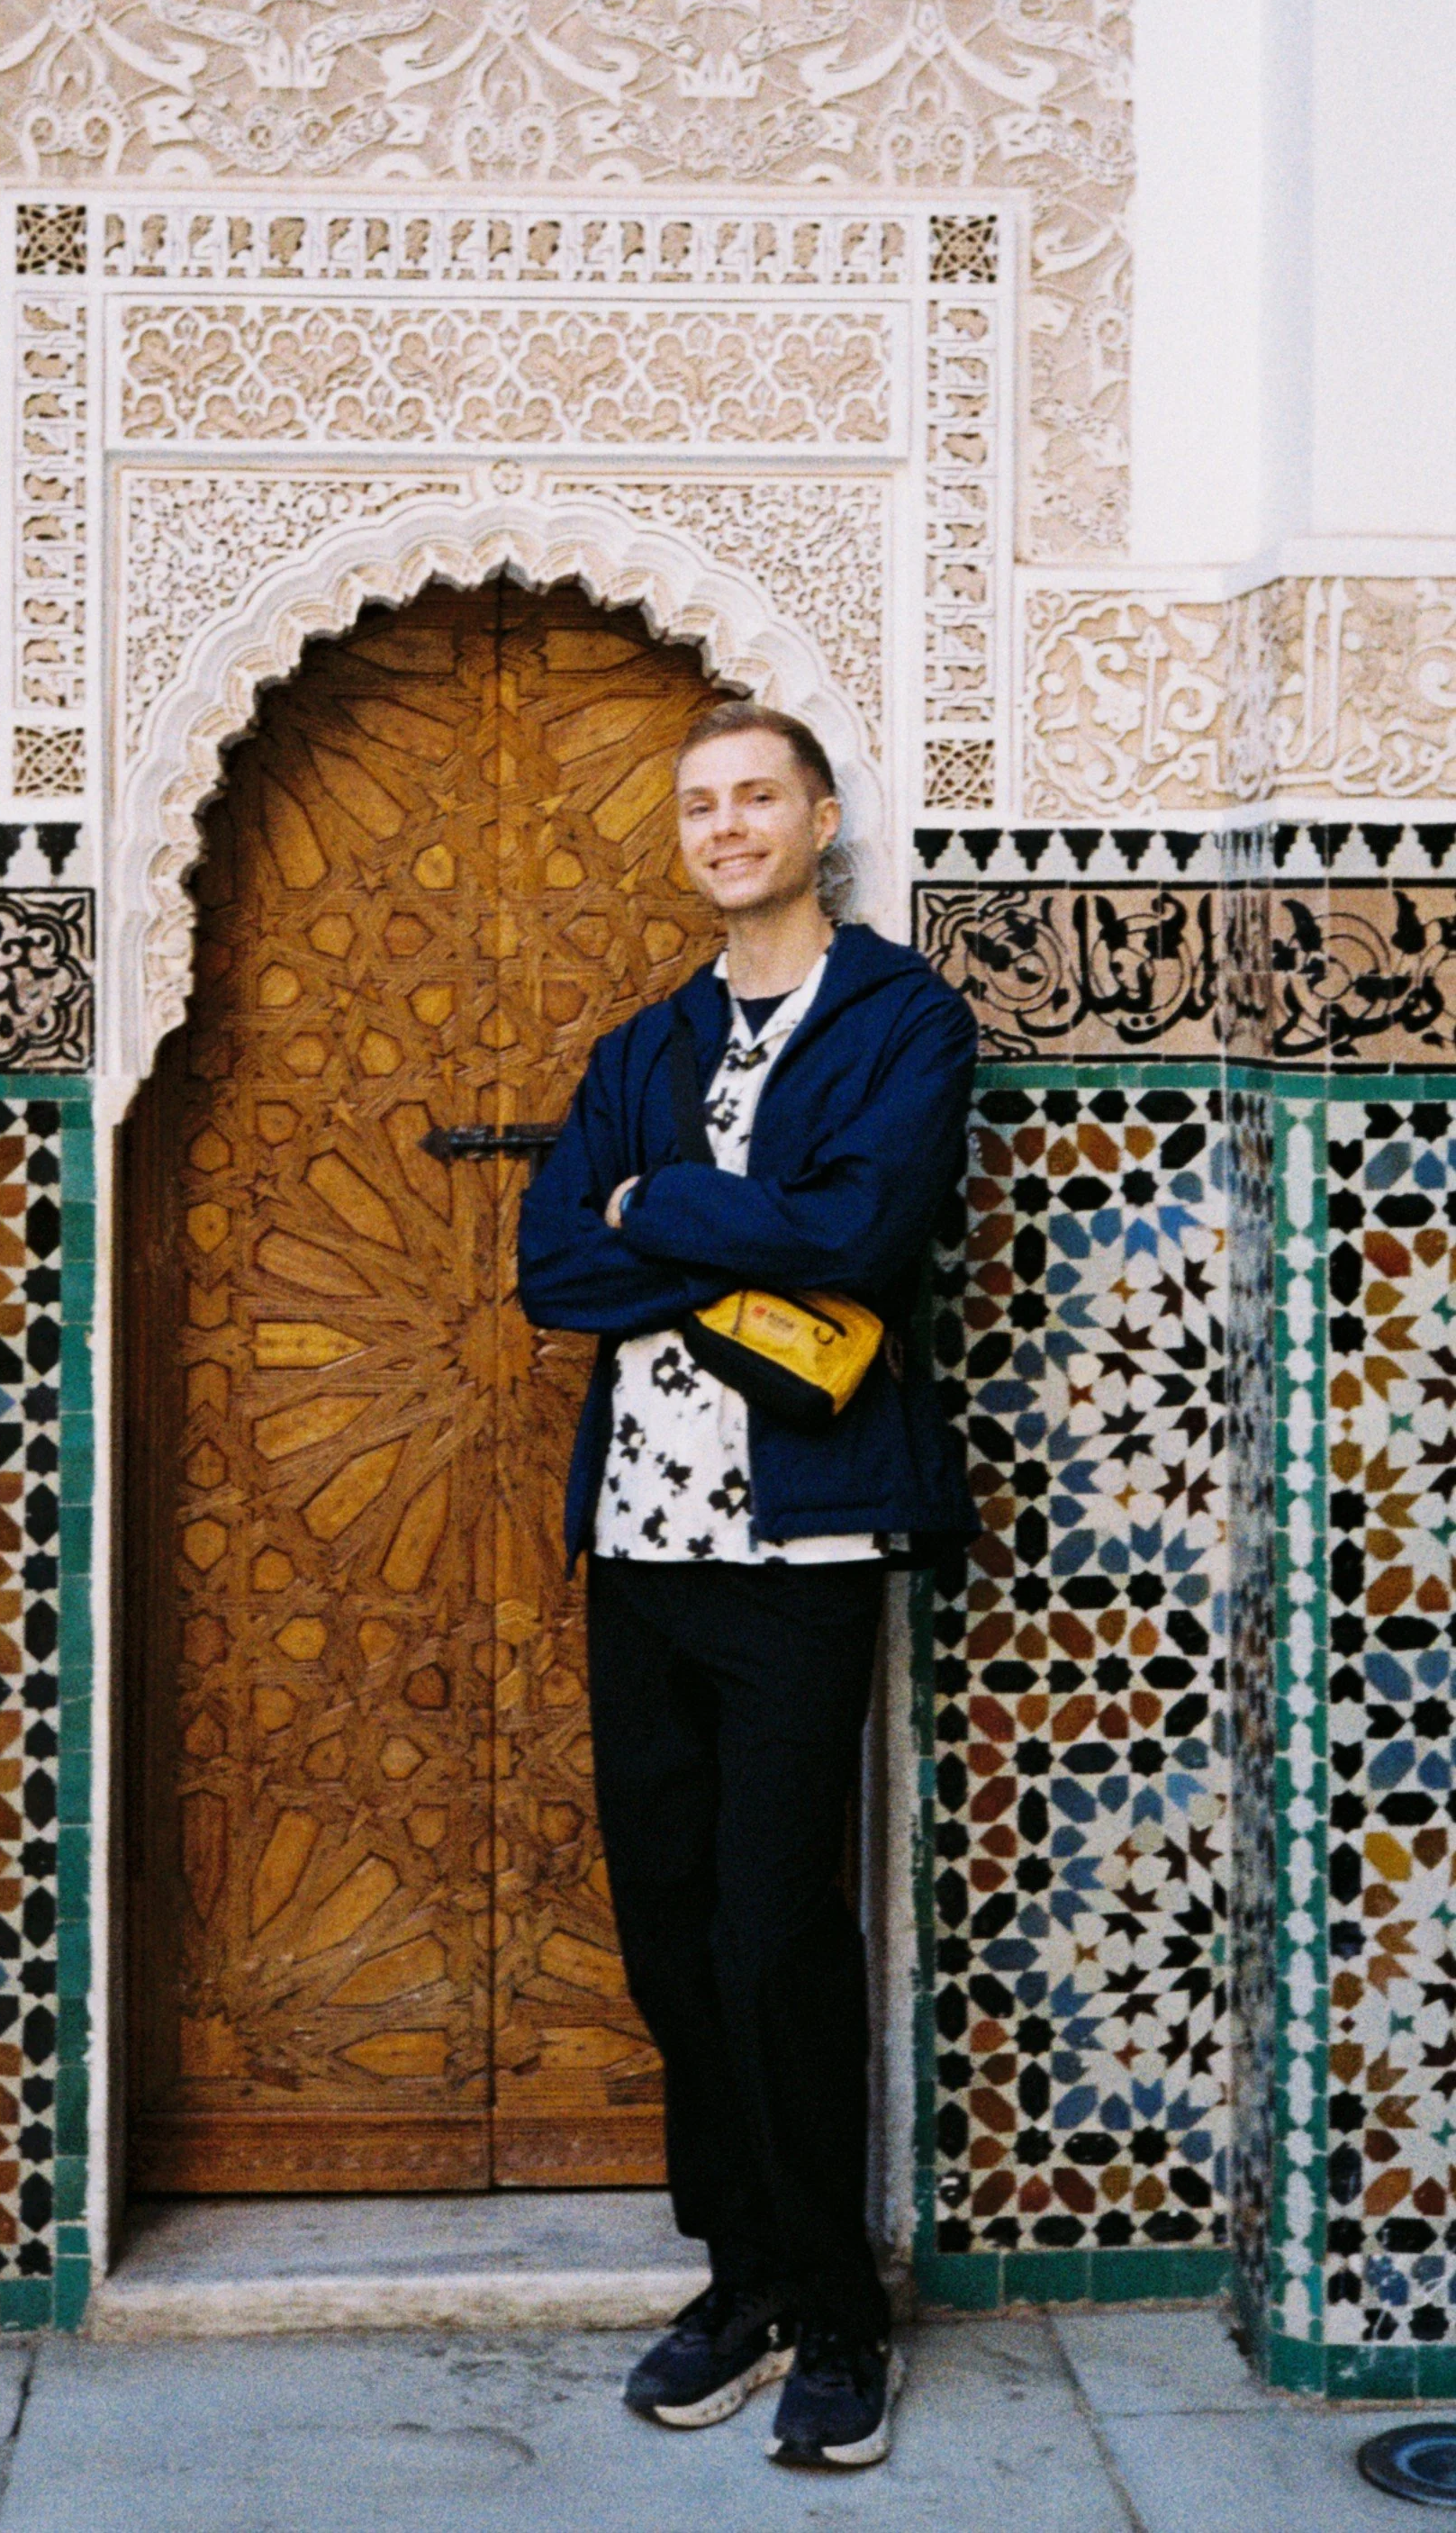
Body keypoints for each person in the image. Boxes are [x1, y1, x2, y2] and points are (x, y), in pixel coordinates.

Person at [516, 701, 978, 2470]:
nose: (726, 826)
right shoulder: (650, 1041)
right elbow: (553, 1260)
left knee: (782, 1936)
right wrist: (676, 1223)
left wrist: (656, 1214)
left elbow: (863, 1234)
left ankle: (841, 2314)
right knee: (673, 1931)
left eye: (755, 798)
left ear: (819, 816)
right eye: (701, 805)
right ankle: (745, 2279)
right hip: (640, 1547)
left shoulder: (901, 1020)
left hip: (805, 1551)